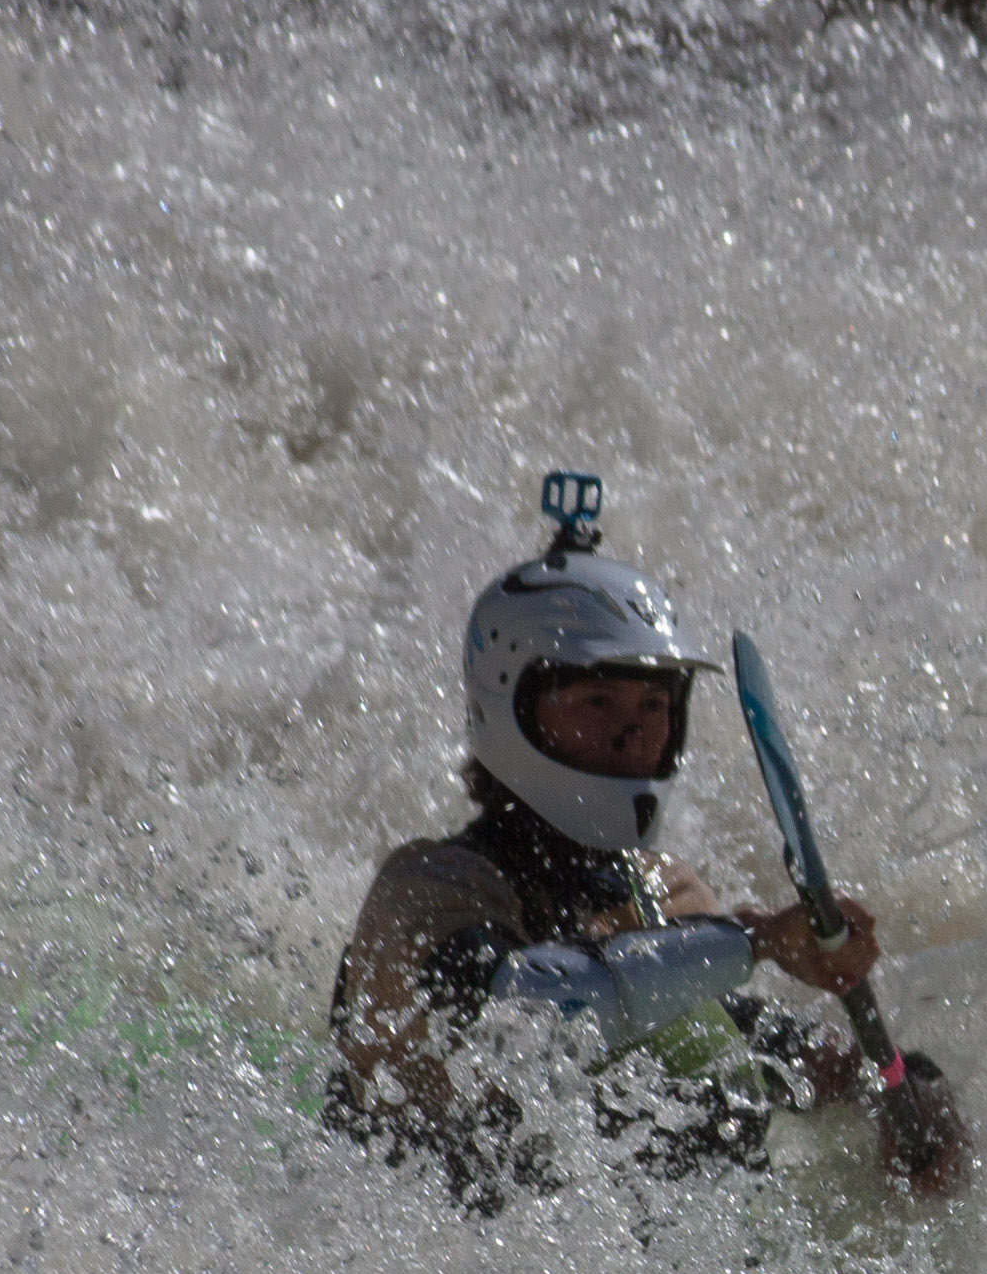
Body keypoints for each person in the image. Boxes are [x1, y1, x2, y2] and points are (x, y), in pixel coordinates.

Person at [329, 478, 900, 1204]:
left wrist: (893, 1091)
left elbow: (765, 1045)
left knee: (715, 1054)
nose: (633, 734)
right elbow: (528, 1009)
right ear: (513, 708)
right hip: (443, 1239)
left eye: (654, 705)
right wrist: (756, 941)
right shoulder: (423, 892)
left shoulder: (659, 891)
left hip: (639, 1248)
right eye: (597, 701)